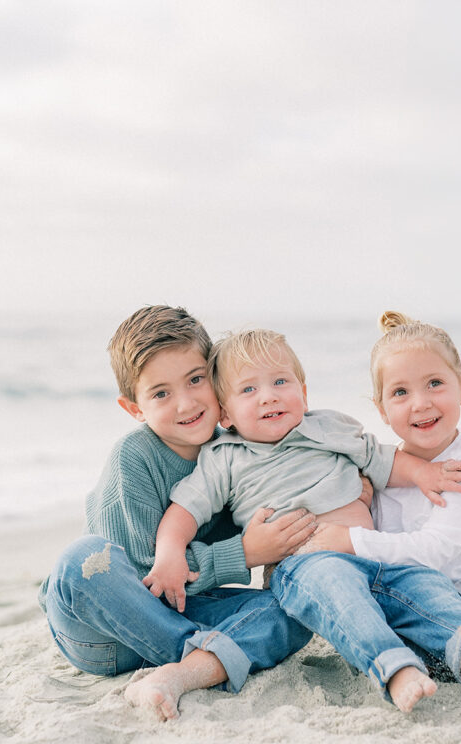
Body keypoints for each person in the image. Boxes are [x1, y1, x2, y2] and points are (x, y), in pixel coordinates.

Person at [143, 328, 461, 712]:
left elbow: (380, 459)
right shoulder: (225, 458)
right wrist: (169, 553)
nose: (269, 395)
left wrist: (422, 474)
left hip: (373, 554)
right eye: (249, 390)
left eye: (281, 381)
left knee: (422, 584)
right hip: (306, 566)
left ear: (303, 390)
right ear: (226, 413)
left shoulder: (328, 428)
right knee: (344, 598)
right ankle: (394, 667)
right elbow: (184, 510)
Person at [38, 306, 317, 722]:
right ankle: (207, 657)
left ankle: (182, 672)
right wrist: (241, 554)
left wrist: (358, 484)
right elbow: (141, 578)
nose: (186, 403)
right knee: (82, 558)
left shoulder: (237, 449)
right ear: (134, 408)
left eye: (195, 380)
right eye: (161, 393)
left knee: (292, 610)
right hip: (105, 630)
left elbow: (298, 487)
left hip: (185, 613)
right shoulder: (133, 458)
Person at [305, 311, 461, 682]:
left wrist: (350, 541)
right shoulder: (382, 469)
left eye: (435, 383)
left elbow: (433, 552)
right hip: (406, 599)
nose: (420, 403)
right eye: (400, 392)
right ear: (381, 409)